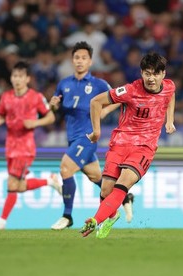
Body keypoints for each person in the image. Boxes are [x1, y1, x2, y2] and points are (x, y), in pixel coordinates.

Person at [80, 52, 176, 238]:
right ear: (141, 73)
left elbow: (170, 95)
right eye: (147, 73)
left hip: (145, 147)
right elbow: (95, 102)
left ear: (163, 74)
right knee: (106, 190)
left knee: (123, 182)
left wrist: (169, 120)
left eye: (156, 74)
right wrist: (96, 131)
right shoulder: (130, 90)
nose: (151, 78)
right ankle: (112, 215)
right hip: (121, 143)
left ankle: (95, 220)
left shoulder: (169, 86)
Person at [49, 41, 134, 230]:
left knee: (65, 169)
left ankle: (67, 216)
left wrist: (104, 111)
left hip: (87, 137)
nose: (80, 61)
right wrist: (53, 106)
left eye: (84, 58)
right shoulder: (64, 84)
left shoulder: (98, 84)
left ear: (90, 61)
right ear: (72, 60)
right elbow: (56, 111)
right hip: (72, 138)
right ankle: (125, 196)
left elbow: (121, 98)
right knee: (96, 177)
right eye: (76, 58)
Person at [0, 61, 61, 230]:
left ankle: (2, 221)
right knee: (18, 186)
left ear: (27, 78)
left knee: (12, 185)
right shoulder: (6, 97)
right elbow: (1, 115)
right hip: (10, 146)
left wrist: (35, 122)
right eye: (14, 76)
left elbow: (50, 117)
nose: (17, 79)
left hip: (25, 147)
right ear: (11, 78)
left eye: (21, 76)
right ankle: (49, 181)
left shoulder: (35, 97)